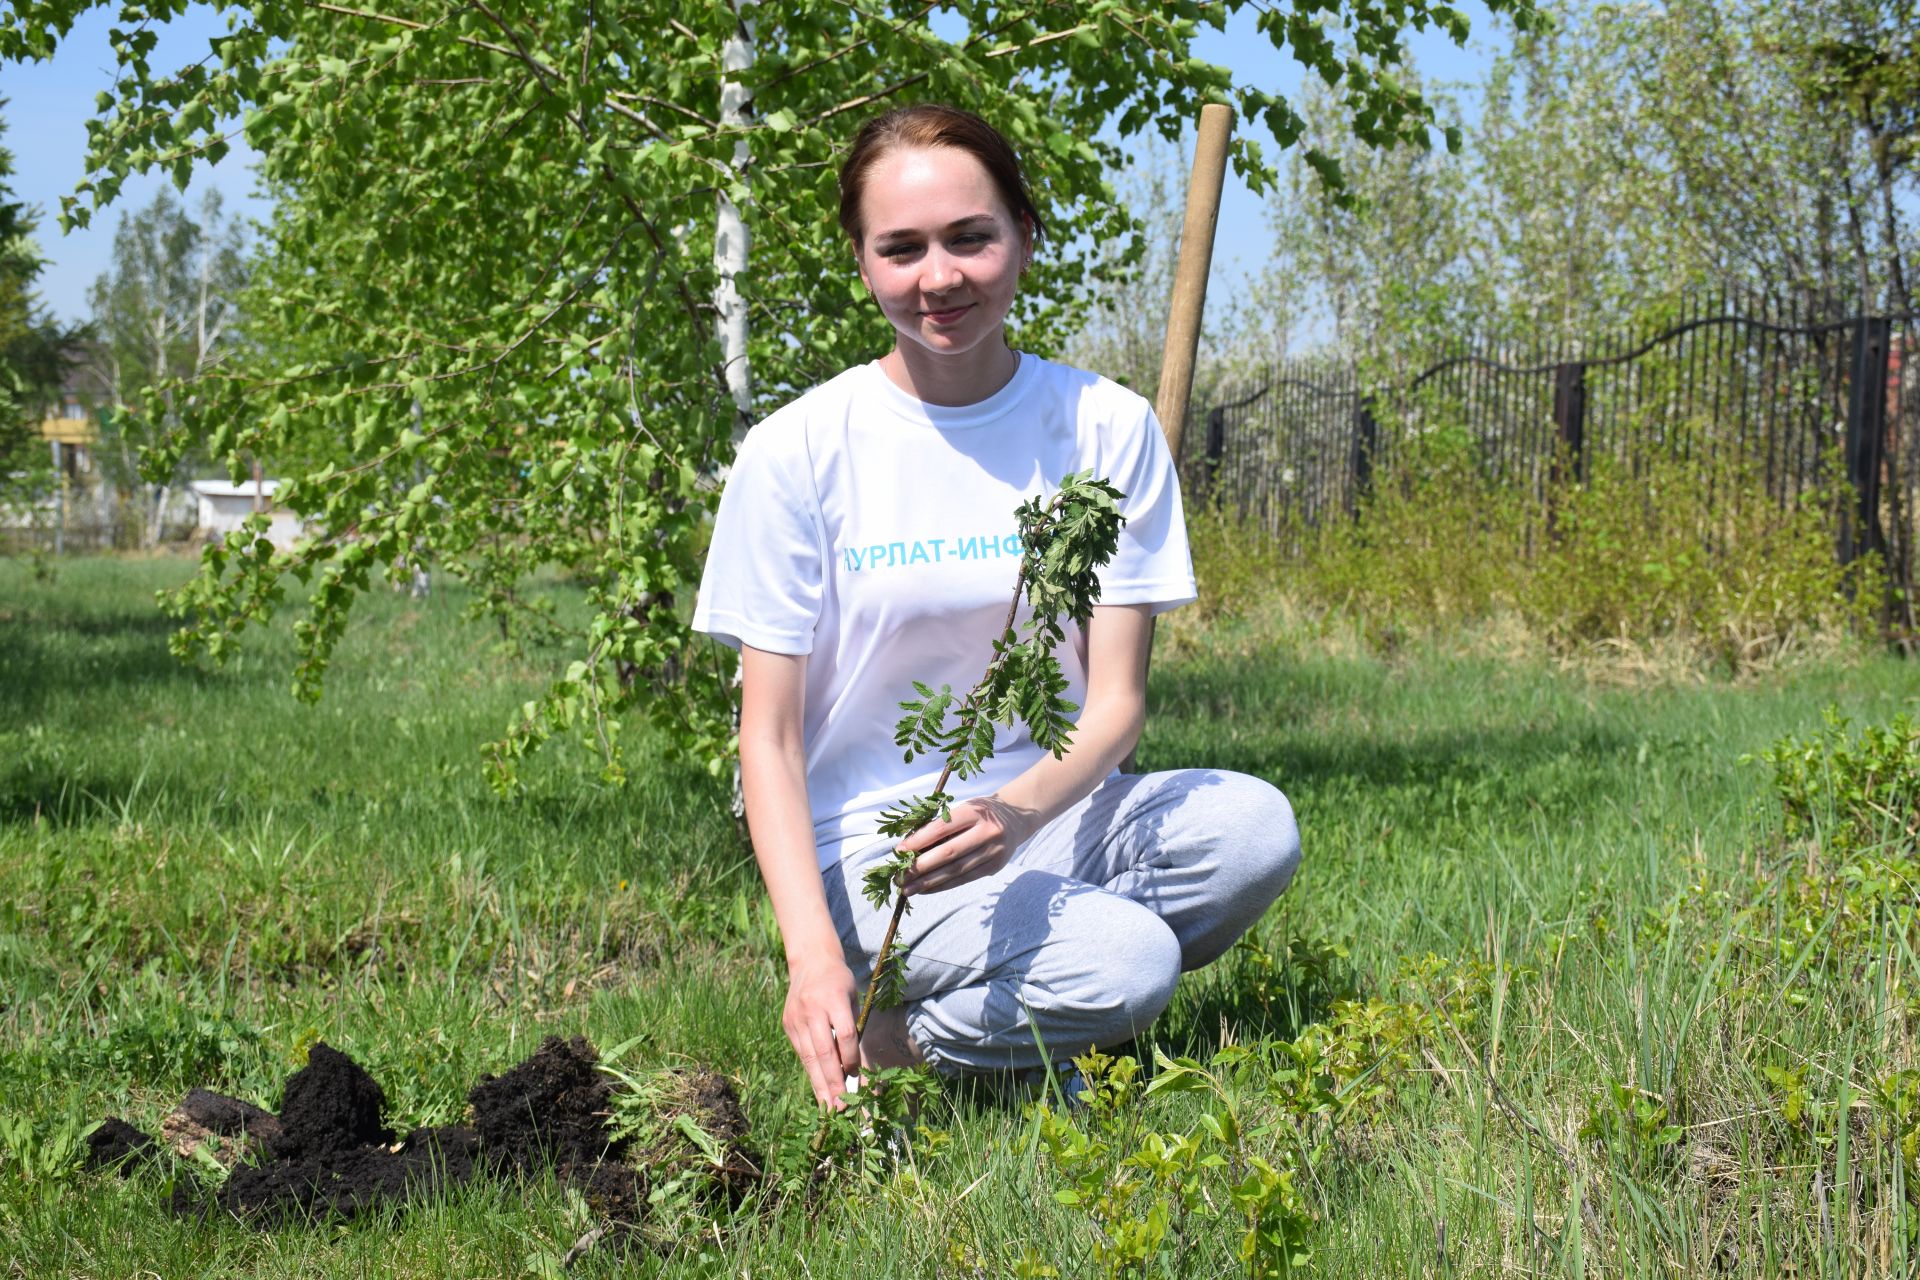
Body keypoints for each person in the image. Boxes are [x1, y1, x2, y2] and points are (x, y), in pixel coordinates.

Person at [692, 103, 1301, 1109]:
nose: (941, 276)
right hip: (879, 850)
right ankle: (946, 1016)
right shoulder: (800, 449)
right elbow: (770, 739)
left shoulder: (1104, 427)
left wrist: (1015, 817)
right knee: (1132, 965)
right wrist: (811, 957)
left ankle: (946, 1026)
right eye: (902, 248)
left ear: (1024, 235)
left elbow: (1116, 703)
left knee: (1253, 829)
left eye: (971, 236)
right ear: (862, 262)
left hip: (1050, 806)